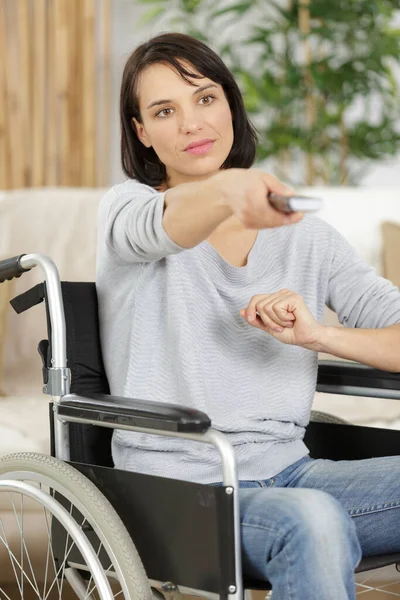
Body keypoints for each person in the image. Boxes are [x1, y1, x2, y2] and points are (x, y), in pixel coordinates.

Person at [96, 32, 400, 600]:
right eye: (166, 111)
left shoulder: (307, 238)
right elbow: (171, 219)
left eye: (205, 99)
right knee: (311, 520)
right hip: (181, 488)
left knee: (310, 510)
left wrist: (320, 335)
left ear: (230, 106)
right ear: (143, 133)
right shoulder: (128, 213)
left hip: (294, 473)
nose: (191, 123)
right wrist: (231, 190)